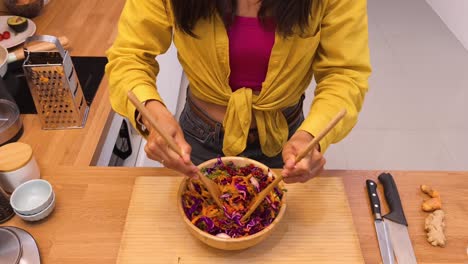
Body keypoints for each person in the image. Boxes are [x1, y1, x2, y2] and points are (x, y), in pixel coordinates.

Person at [105, 0, 371, 183]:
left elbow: (344, 73)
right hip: (197, 139)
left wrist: (312, 136)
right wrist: (151, 115)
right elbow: (130, 57)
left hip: (289, 141)